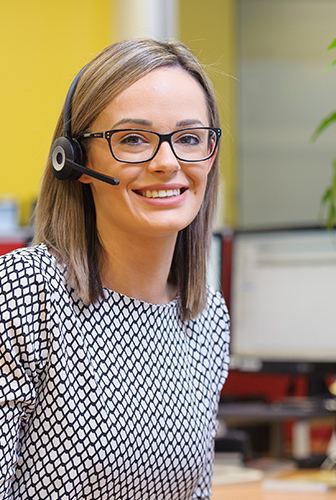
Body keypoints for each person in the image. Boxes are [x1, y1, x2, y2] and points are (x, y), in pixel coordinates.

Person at [0, 38, 230, 500]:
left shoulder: (207, 316)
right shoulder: (28, 292)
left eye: (189, 138)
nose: (168, 163)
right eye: (132, 140)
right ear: (76, 161)